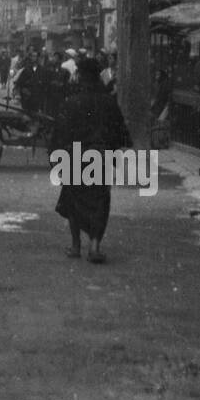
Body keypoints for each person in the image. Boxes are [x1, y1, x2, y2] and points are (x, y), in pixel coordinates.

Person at [51, 56, 133, 263]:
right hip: (101, 157)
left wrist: (57, 157)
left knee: (72, 200)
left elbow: (59, 133)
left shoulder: (70, 102)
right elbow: (121, 132)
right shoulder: (108, 102)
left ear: (79, 76)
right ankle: (95, 246)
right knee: (99, 201)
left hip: (74, 156)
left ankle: (76, 245)